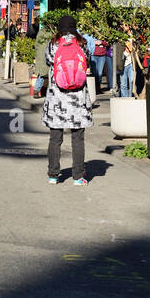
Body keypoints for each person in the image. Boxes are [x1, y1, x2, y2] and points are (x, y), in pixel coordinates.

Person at [42, 14, 93, 185]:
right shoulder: (82, 43)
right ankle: (78, 177)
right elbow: (87, 62)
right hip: (78, 100)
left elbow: (49, 61)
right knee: (77, 139)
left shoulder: (53, 43)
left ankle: (53, 175)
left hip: (57, 99)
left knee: (55, 139)